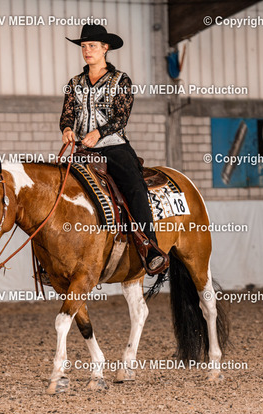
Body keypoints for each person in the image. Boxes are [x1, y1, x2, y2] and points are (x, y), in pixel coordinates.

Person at [59, 24, 167, 273]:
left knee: (134, 186)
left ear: (105, 48)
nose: (87, 51)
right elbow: (67, 114)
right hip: (82, 150)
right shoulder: (74, 83)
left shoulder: (121, 80)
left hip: (113, 147)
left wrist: (98, 133)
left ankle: (149, 246)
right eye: (83, 46)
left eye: (92, 46)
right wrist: (66, 129)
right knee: (59, 186)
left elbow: (121, 117)